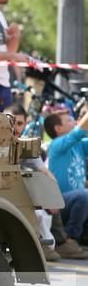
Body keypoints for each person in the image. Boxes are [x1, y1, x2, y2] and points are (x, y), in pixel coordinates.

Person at [3, 104, 87, 260]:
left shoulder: (25, 146)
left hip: (21, 197)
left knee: (44, 187)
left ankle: (59, 242)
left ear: (25, 124)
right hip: (0, 193)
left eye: (20, 123)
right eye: (11, 122)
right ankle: (52, 241)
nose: (15, 127)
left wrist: (52, 194)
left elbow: (45, 172)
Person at [44, 109, 88, 256]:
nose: (74, 122)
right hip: (58, 207)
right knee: (84, 195)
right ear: (58, 128)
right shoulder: (56, 145)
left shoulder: (79, 145)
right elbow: (79, 131)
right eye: (69, 120)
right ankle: (68, 239)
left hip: (78, 206)